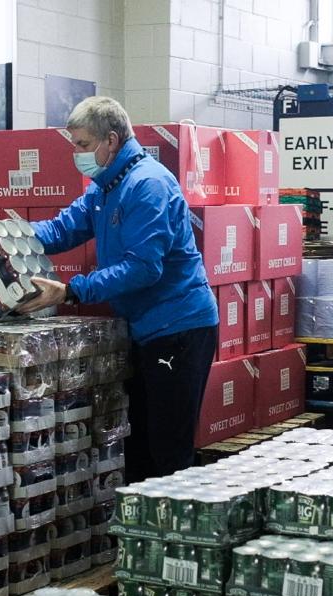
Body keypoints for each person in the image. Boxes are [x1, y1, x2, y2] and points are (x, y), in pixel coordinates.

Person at [18, 96, 218, 479]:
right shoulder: (106, 186)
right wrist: (7, 236)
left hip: (178, 330)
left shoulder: (148, 185)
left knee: (167, 451)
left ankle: (171, 515)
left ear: (111, 140)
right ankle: (140, 515)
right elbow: (63, 228)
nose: (76, 154)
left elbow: (143, 268)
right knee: (139, 445)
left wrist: (70, 291)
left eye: (83, 144)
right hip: (146, 330)